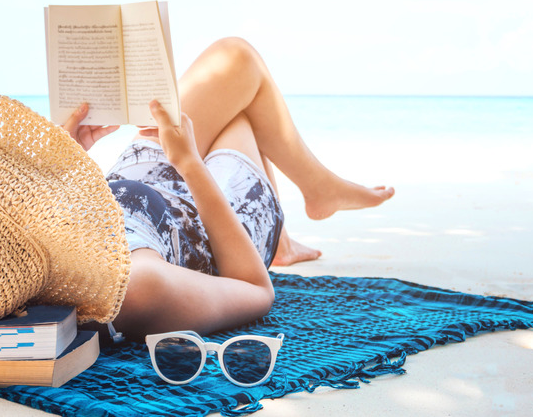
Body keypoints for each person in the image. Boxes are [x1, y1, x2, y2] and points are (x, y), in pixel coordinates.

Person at [61, 37, 394, 338]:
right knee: (240, 107)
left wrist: (64, 164)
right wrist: (190, 164)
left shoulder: (43, 241)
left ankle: (307, 209)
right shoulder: (138, 285)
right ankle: (304, 211)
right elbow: (256, 291)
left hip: (139, 177)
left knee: (235, 64)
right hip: (216, 225)